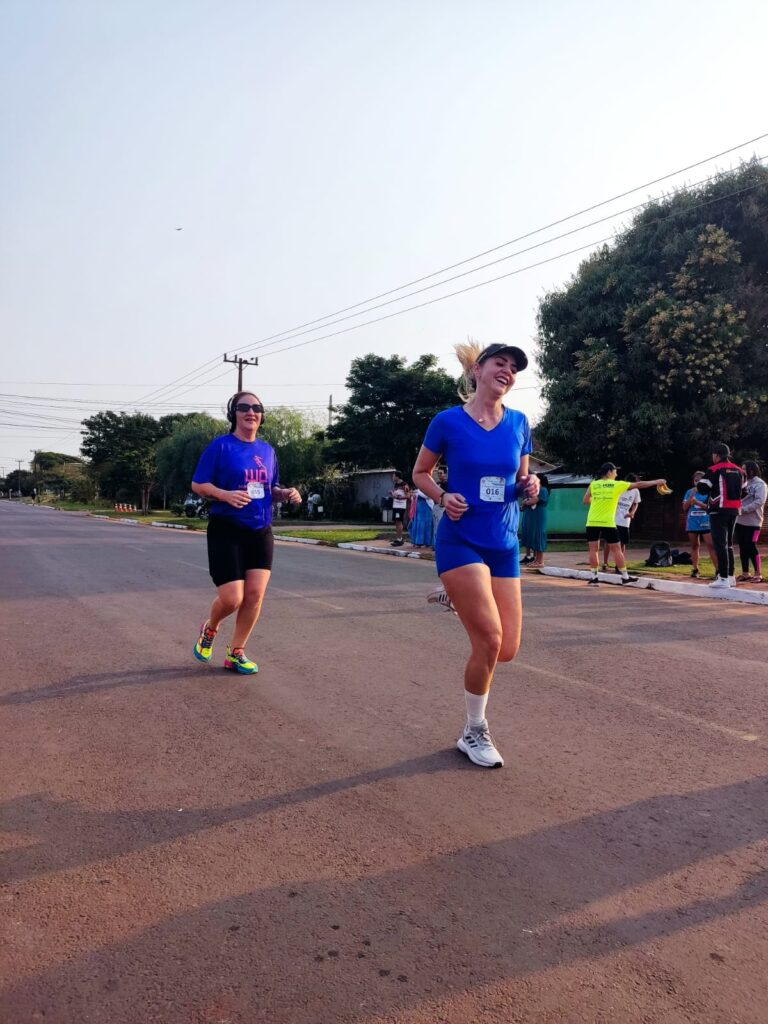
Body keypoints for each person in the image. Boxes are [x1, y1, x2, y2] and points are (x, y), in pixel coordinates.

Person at [412, 341, 540, 769]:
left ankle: (458, 597)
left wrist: (532, 487)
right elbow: (420, 473)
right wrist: (442, 496)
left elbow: (521, 482)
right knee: (488, 640)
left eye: (514, 368)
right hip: (460, 538)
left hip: (503, 542)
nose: (508, 371)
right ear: (478, 371)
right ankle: (474, 730)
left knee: (507, 650)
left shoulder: (521, 423)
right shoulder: (447, 421)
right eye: (500, 364)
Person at [191, 391, 302, 673]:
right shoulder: (221, 447)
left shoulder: (267, 451)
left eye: (256, 407)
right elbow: (199, 484)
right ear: (234, 414)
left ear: (261, 415)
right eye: (244, 407)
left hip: (260, 529)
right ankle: (210, 628)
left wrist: (285, 493)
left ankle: (236, 652)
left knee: (254, 595)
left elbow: (270, 489)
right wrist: (225, 495)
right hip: (226, 527)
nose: (251, 412)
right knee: (232, 598)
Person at [583, 464, 667, 586]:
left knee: (593, 549)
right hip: (607, 522)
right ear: (609, 472)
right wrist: (657, 481)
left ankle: (594, 578)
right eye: (615, 472)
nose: (616, 474)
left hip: (592, 521)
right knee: (617, 549)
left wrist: (598, 500)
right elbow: (639, 484)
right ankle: (625, 577)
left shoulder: (593, 484)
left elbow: (585, 501)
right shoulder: (617, 485)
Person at [697, 443, 745, 589]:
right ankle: (730, 577)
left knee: (720, 544)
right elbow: (744, 491)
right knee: (729, 544)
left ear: (716, 455)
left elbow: (702, 489)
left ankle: (723, 578)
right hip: (734, 510)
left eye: (713, 455)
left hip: (718, 510)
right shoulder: (739, 471)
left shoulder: (714, 469)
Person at [735, 460, 766, 583]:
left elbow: (759, 502)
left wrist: (743, 509)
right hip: (740, 520)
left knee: (751, 546)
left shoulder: (761, 485)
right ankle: (745, 572)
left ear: (751, 470)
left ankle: (758, 573)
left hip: (754, 522)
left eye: (744, 469)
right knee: (742, 547)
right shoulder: (744, 483)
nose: (742, 471)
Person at [682, 471, 716, 578]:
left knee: (711, 545)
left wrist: (697, 503)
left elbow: (709, 507)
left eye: (699, 480)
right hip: (692, 522)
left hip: (705, 522)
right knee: (694, 546)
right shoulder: (689, 492)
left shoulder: (709, 492)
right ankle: (695, 569)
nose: (697, 482)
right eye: (695, 480)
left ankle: (718, 570)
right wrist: (690, 499)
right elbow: (684, 507)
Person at [519, 474, 549, 567]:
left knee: (539, 537)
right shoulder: (535, 490)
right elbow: (526, 501)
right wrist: (526, 502)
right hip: (532, 517)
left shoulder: (543, 489)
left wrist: (525, 502)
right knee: (534, 537)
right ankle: (536, 560)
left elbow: (533, 500)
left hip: (538, 517)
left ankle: (540, 561)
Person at [389, 471, 411, 547]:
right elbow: (396, 494)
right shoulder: (396, 485)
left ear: (397, 477)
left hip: (400, 506)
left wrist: (399, 497)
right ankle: (398, 538)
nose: (392, 477)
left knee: (399, 521)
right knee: (396, 522)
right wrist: (392, 493)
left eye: (393, 476)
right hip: (395, 505)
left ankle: (400, 539)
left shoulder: (404, 485)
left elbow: (408, 496)